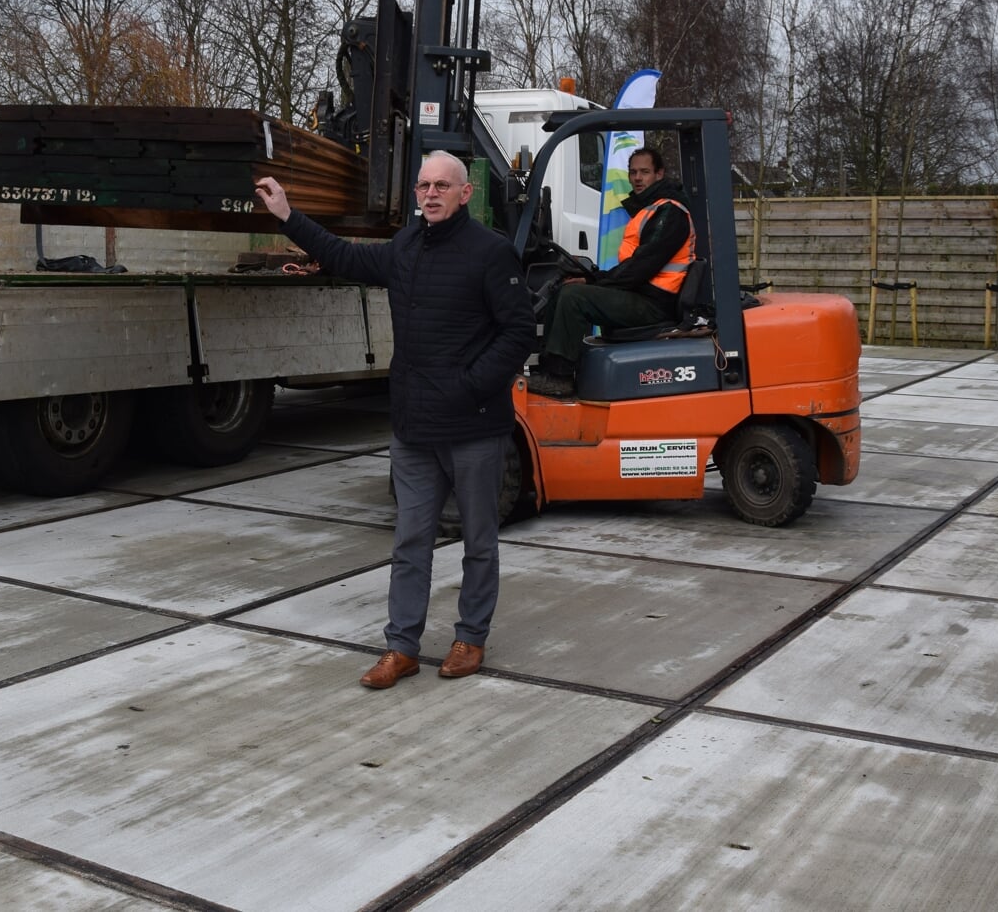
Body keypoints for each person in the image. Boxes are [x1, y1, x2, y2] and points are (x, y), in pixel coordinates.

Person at [254, 153, 535, 689]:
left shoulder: (491, 254)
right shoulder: (406, 247)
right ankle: (401, 647)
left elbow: (519, 332)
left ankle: (470, 637)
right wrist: (290, 215)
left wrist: (468, 385)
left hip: (474, 427)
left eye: (442, 186)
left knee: (478, 540)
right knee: (410, 541)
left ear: (464, 193)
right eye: (423, 185)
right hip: (413, 427)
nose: (430, 194)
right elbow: (344, 257)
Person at [528, 147, 695, 397]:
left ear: (659, 174)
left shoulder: (669, 213)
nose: (637, 178)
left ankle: (560, 377)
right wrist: (592, 278)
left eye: (645, 172)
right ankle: (548, 369)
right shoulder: (650, 209)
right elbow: (633, 267)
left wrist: (598, 282)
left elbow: (640, 268)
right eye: (633, 172)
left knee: (575, 298)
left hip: (654, 303)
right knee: (567, 289)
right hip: (642, 294)